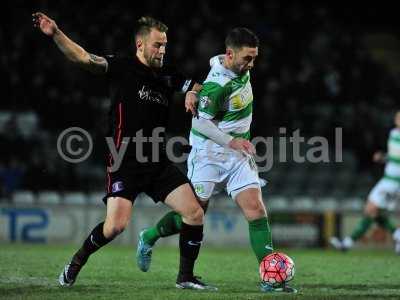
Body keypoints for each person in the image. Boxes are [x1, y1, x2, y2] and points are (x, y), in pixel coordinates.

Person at [32, 12, 216, 290]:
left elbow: (200, 88)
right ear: (140, 45)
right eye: (157, 44)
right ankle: (76, 262)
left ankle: (185, 277)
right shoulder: (124, 67)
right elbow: (84, 58)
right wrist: (56, 33)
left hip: (156, 160)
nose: (163, 50)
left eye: (165, 44)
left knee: (195, 213)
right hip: (124, 160)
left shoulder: (168, 75)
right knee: (115, 226)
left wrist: (193, 92)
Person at [136, 27, 297, 293]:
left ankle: (271, 280)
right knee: (193, 215)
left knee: (256, 210)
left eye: (255, 57)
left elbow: (215, 68)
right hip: (208, 155)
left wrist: (235, 144)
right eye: (247, 58)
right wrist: (233, 140)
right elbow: (200, 122)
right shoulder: (218, 83)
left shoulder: (235, 67)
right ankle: (149, 236)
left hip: (237, 156)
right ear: (231, 54)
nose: (252, 64)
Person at [330, 111, 400, 253]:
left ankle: (347, 244)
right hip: (388, 178)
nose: (398, 119)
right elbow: (395, 156)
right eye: (398, 117)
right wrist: (384, 157)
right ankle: (348, 243)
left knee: (371, 209)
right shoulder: (393, 133)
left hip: (394, 181)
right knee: (372, 211)